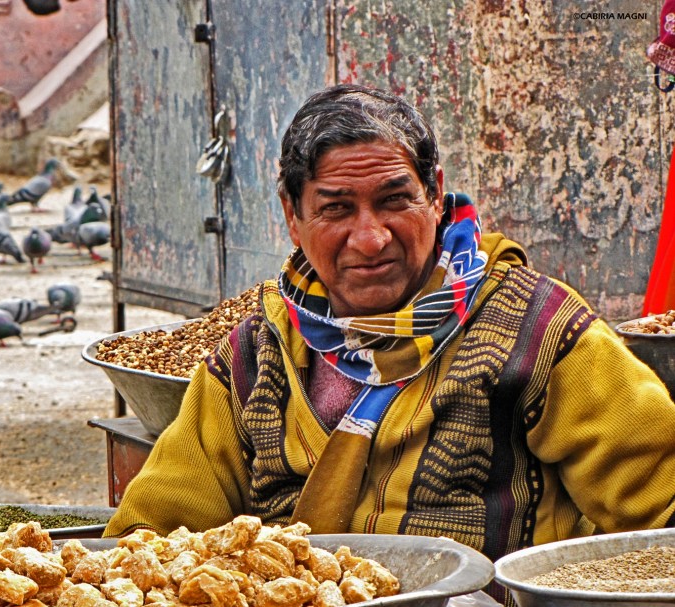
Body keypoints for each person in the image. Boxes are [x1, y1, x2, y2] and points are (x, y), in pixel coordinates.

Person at [105, 84, 675, 600]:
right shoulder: (257, 353)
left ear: (435, 194)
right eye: (335, 208)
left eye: (395, 200)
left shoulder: (539, 329)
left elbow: (661, 508)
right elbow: (147, 540)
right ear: (292, 216)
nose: (371, 238)